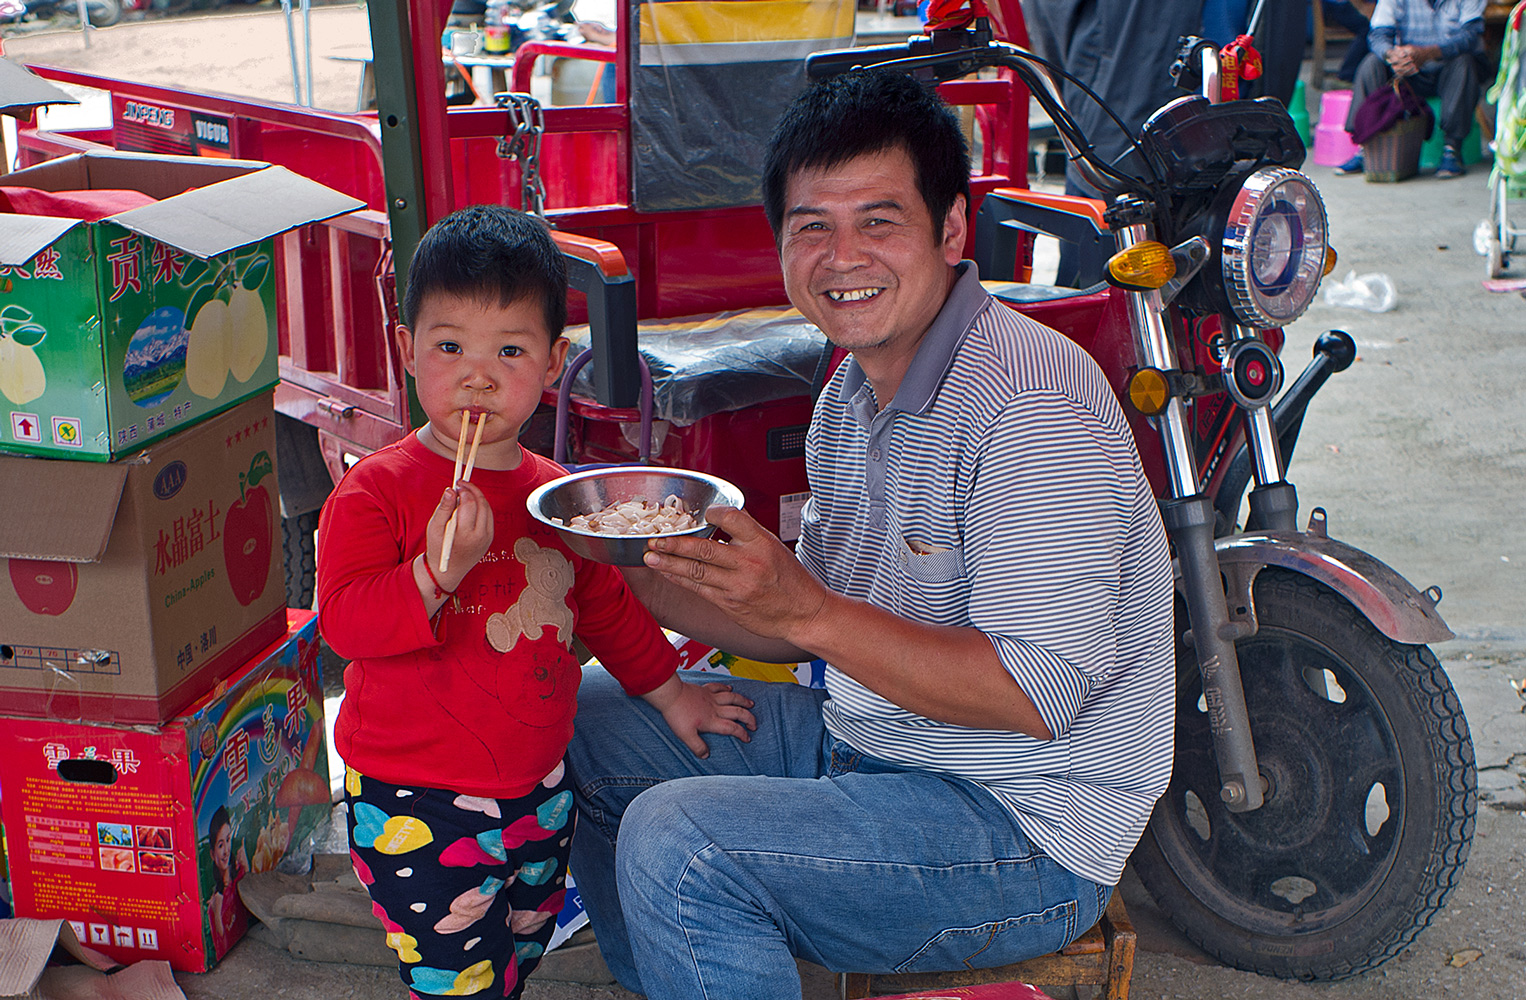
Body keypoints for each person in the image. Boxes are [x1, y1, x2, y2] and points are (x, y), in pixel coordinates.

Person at [564, 69, 1175, 1000]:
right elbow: (799, 621)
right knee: (591, 716)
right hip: (872, 746)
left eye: (879, 222)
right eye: (813, 227)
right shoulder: (849, 397)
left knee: (681, 841)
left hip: (1021, 828)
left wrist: (806, 610)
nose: (843, 257)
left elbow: (1030, 695)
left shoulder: (1028, 408)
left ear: (952, 230)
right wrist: (616, 561)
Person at [315, 205, 754, 1000]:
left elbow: (610, 609)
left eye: (509, 350)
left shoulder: (558, 498)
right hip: (414, 800)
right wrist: (434, 578)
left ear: (552, 361)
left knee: (519, 956)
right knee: (457, 981)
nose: (478, 375)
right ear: (410, 351)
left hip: (539, 786)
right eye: (450, 347)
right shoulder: (373, 492)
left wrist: (674, 694)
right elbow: (346, 629)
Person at [1337, 0, 1486, 178]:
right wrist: (1391, 55)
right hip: (1406, 70)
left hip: (1446, 67)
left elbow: (1471, 37)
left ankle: (1452, 149)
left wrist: (1429, 53)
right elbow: (1378, 35)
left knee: (1465, 64)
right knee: (1371, 64)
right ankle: (1366, 148)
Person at [206, 806, 248, 959]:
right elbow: (221, 948)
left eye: (228, 840)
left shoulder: (240, 874)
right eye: (220, 845)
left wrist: (246, 868)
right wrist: (217, 915)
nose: (226, 851)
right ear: (212, 854)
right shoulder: (215, 903)